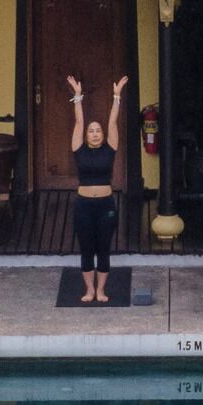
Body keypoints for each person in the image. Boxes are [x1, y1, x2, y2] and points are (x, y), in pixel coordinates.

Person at [66, 72, 129, 303]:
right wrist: (78, 96)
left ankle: (101, 290)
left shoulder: (110, 148)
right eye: (91, 131)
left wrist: (116, 96)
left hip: (105, 205)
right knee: (86, 249)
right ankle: (89, 290)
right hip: (83, 206)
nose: (94, 132)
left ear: (103, 136)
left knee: (103, 249)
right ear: (86, 135)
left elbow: (112, 121)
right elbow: (79, 121)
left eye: (97, 130)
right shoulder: (79, 149)